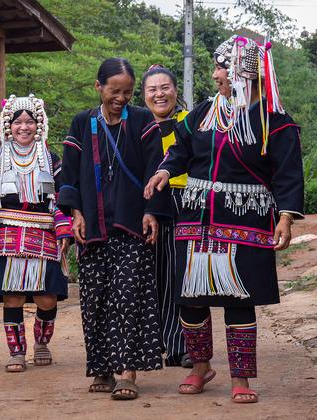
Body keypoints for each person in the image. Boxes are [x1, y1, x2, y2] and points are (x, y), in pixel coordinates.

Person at [145, 35, 304, 403]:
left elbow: (288, 173)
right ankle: (200, 366)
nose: (215, 74)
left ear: (241, 73)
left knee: (238, 299)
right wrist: (166, 171)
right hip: (195, 218)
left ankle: (242, 377)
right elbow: (181, 149)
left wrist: (286, 217)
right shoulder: (203, 112)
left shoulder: (274, 120)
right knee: (191, 298)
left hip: (243, 220)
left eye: (221, 67)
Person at [58, 57, 171, 400]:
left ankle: (128, 372)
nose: (121, 98)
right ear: (99, 88)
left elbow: (156, 168)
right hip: (93, 227)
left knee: (129, 299)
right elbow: (70, 173)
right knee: (95, 300)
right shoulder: (82, 123)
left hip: (131, 224)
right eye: (114, 91)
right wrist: (75, 213)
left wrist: (152, 211)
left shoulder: (141, 121)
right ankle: (103, 368)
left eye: (128, 92)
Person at [0, 94, 72, 373]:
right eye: (17, 121)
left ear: (38, 124)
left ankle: (42, 342)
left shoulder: (51, 159)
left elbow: (63, 196)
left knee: (47, 297)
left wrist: (64, 228)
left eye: (29, 121)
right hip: (6, 234)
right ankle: (16, 351)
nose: (23, 127)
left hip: (44, 231)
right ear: (8, 125)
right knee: (13, 296)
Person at [141, 64, 190, 368]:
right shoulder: (138, 126)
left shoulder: (191, 122)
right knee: (155, 278)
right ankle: (159, 342)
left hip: (185, 203)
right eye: (152, 89)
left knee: (181, 277)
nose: (159, 94)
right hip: (150, 205)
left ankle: (182, 345)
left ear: (175, 90)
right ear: (144, 95)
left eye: (165, 88)